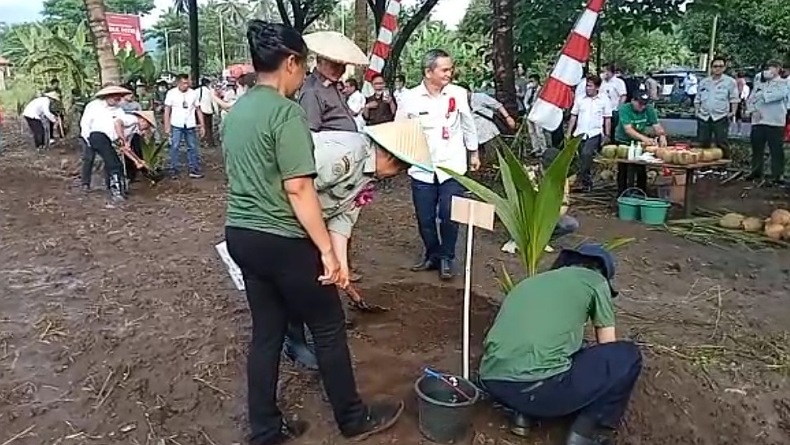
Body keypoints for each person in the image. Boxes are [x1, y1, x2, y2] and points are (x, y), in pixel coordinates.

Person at [222, 20, 404, 445]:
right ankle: (353, 419)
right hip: (282, 239)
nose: (304, 75)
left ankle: (265, 428)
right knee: (327, 326)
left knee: (267, 333)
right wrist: (325, 250)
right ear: (290, 63)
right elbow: (299, 186)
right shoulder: (285, 113)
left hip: (241, 234)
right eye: (303, 67)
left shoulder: (238, 113)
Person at [479, 244, 641, 445]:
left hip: (493, 382)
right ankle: (586, 434)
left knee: (556, 354)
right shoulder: (596, 281)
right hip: (539, 390)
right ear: (600, 271)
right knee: (626, 356)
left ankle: (523, 416)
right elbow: (607, 346)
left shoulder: (531, 282)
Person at [396, 49, 479, 280]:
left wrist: (473, 152)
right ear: (428, 72)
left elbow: (467, 123)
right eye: (444, 70)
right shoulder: (409, 98)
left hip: (452, 165)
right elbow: (399, 130)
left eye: (450, 69)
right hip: (422, 167)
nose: (449, 74)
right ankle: (432, 254)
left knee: (449, 213)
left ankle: (447, 258)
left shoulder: (458, 93)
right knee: (425, 218)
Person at [299, 31, 367, 133]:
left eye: (343, 66)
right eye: (335, 65)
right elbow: (311, 133)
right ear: (319, 61)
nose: (340, 70)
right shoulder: (312, 91)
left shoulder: (333, 85)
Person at [87, 104, 155, 203]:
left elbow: (125, 148)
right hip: (99, 136)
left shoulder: (133, 130)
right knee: (115, 165)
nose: (145, 129)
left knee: (114, 164)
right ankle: (117, 194)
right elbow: (118, 123)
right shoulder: (132, 119)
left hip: (105, 139)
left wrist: (137, 161)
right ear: (143, 120)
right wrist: (122, 138)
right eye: (146, 126)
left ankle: (118, 190)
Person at [79, 85, 130, 192]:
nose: (117, 100)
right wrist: (87, 138)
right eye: (114, 98)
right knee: (88, 159)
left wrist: (122, 139)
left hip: (109, 140)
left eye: (118, 98)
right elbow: (85, 122)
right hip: (91, 135)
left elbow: (122, 124)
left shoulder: (119, 110)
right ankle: (85, 183)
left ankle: (110, 184)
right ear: (107, 96)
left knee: (110, 160)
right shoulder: (93, 106)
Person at [745, 61, 789, 186]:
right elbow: (752, 98)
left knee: (776, 150)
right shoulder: (759, 82)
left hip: (775, 121)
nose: (768, 71)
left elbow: (776, 96)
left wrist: (762, 90)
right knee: (757, 148)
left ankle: (777, 174)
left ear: (778, 69)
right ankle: (756, 171)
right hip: (758, 120)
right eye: (767, 68)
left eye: (772, 68)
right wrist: (752, 110)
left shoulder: (784, 83)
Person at [566, 75, 612, 192]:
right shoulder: (580, 99)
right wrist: (569, 132)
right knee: (581, 157)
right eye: (587, 86)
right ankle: (586, 182)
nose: (588, 88)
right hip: (580, 133)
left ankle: (583, 181)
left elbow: (607, 118)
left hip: (594, 133)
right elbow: (573, 116)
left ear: (597, 87)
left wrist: (607, 134)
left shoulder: (604, 100)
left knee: (587, 154)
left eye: (590, 86)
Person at [164, 73, 206, 179]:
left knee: (192, 147)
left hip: (190, 123)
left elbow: (198, 109)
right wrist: (167, 125)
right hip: (176, 123)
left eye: (187, 83)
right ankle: (174, 169)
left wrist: (202, 125)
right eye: (183, 83)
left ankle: (194, 169)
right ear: (178, 83)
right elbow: (167, 110)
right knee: (175, 146)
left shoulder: (193, 93)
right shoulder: (171, 93)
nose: (186, 85)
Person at [695, 57, 739, 156]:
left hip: (721, 116)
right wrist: (697, 111)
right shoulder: (704, 82)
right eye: (715, 66)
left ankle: (722, 168)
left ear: (724, 68)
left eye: (720, 66)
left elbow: (734, 98)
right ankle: (703, 168)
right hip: (704, 116)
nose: (718, 68)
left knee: (721, 142)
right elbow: (698, 98)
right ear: (711, 68)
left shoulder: (730, 82)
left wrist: (733, 112)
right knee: (703, 142)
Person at [458, 82, 516, 156]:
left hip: (489, 133)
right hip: (474, 137)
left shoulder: (480, 97)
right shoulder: (459, 103)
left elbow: (497, 105)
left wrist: (508, 117)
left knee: (495, 157)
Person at [524, 74, 548, 154]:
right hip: (530, 112)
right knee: (531, 131)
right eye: (530, 81)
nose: (531, 83)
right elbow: (525, 100)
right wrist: (527, 107)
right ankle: (535, 147)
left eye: (533, 81)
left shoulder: (542, 90)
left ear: (537, 81)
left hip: (538, 113)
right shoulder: (529, 90)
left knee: (539, 132)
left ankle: (543, 148)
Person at [601, 63, 627, 133]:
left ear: (610, 72)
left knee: (613, 130)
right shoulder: (602, 82)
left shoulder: (618, 82)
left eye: (605, 71)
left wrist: (618, 108)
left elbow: (623, 96)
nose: (604, 73)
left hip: (613, 110)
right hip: (602, 110)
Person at [198, 78, 217, 147]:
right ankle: (210, 142)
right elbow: (214, 102)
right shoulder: (210, 91)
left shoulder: (198, 90)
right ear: (207, 83)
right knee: (209, 128)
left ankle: (204, 141)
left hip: (201, 111)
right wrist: (216, 111)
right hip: (209, 111)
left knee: (203, 127)